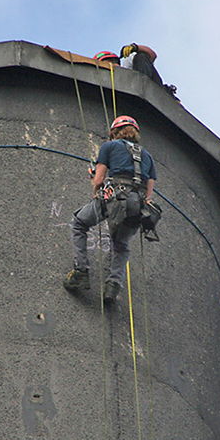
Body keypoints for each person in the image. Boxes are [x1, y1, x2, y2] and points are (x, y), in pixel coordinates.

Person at [63, 115, 157, 304]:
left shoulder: (109, 146)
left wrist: (95, 185)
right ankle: (113, 286)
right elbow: (149, 194)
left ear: (114, 133)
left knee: (79, 223)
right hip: (138, 205)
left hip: (114, 196)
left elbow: (98, 181)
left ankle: (81, 272)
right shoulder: (147, 157)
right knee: (120, 244)